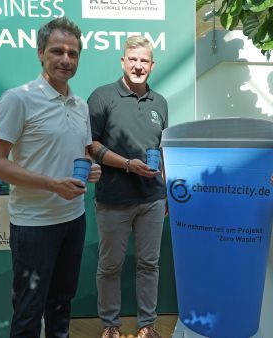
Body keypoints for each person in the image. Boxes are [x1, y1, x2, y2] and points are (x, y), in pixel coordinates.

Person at [0, 17, 101, 337]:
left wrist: (91, 167)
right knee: (29, 311)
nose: (65, 59)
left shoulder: (79, 105)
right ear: (40, 53)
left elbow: (82, 152)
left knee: (62, 304)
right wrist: (51, 184)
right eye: (57, 51)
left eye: (73, 53)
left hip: (73, 220)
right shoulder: (18, 99)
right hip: (33, 225)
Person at [87, 36, 168, 338]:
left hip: (153, 199)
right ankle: (111, 326)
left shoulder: (160, 103)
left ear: (151, 65)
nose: (138, 66)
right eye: (132, 59)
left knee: (149, 264)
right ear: (123, 61)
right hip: (113, 200)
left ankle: (147, 325)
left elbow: (163, 151)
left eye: (144, 60)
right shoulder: (101, 96)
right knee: (110, 266)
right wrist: (127, 164)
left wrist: (168, 195)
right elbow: (91, 145)